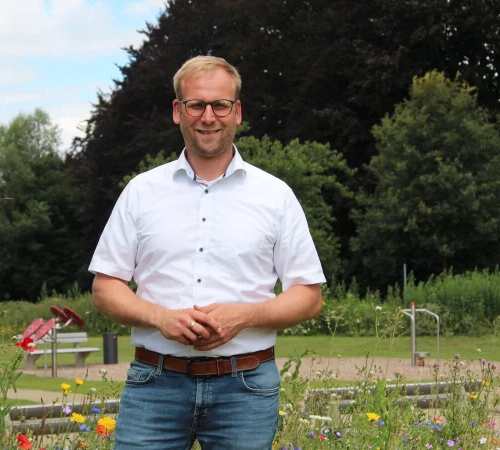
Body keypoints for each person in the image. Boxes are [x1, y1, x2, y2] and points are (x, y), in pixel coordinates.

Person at [88, 55, 326, 449]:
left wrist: (245, 316)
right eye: (196, 104)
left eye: (220, 105)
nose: (209, 116)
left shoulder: (275, 196)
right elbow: (105, 288)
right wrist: (159, 317)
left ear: (238, 112)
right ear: (178, 111)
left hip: (245, 387)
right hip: (155, 384)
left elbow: (309, 296)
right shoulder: (142, 192)